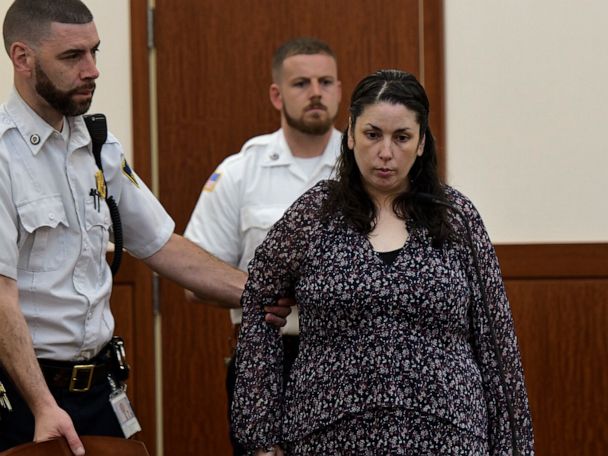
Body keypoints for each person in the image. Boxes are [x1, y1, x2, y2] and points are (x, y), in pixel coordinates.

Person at [0, 1, 288, 454]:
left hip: (99, 386)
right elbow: (1, 297)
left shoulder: (96, 143)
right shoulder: (3, 156)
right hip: (23, 394)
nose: (92, 69)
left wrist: (262, 291)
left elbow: (162, 245)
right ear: (22, 58)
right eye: (73, 57)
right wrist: (42, 405)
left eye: (95, 51)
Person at [232, 69, 535, 455]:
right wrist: (260, 437)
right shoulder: (314, 215)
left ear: (422, 142)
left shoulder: (456, 217)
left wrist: (513, 448)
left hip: (448, 434)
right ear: (352, 135)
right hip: (329, 433)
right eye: (373, 134)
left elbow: (498, 343)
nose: (386, 152)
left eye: (402, 137)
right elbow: (258, 305)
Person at [184, 37, 342, 455]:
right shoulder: (241, 172)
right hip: (269, 356)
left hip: (353, 357)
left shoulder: (364, 168)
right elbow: (194, 278)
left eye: (326, 82)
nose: (316, 93)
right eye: (301, 83)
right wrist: (265, 294)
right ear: (277, 94)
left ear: (340, 90)